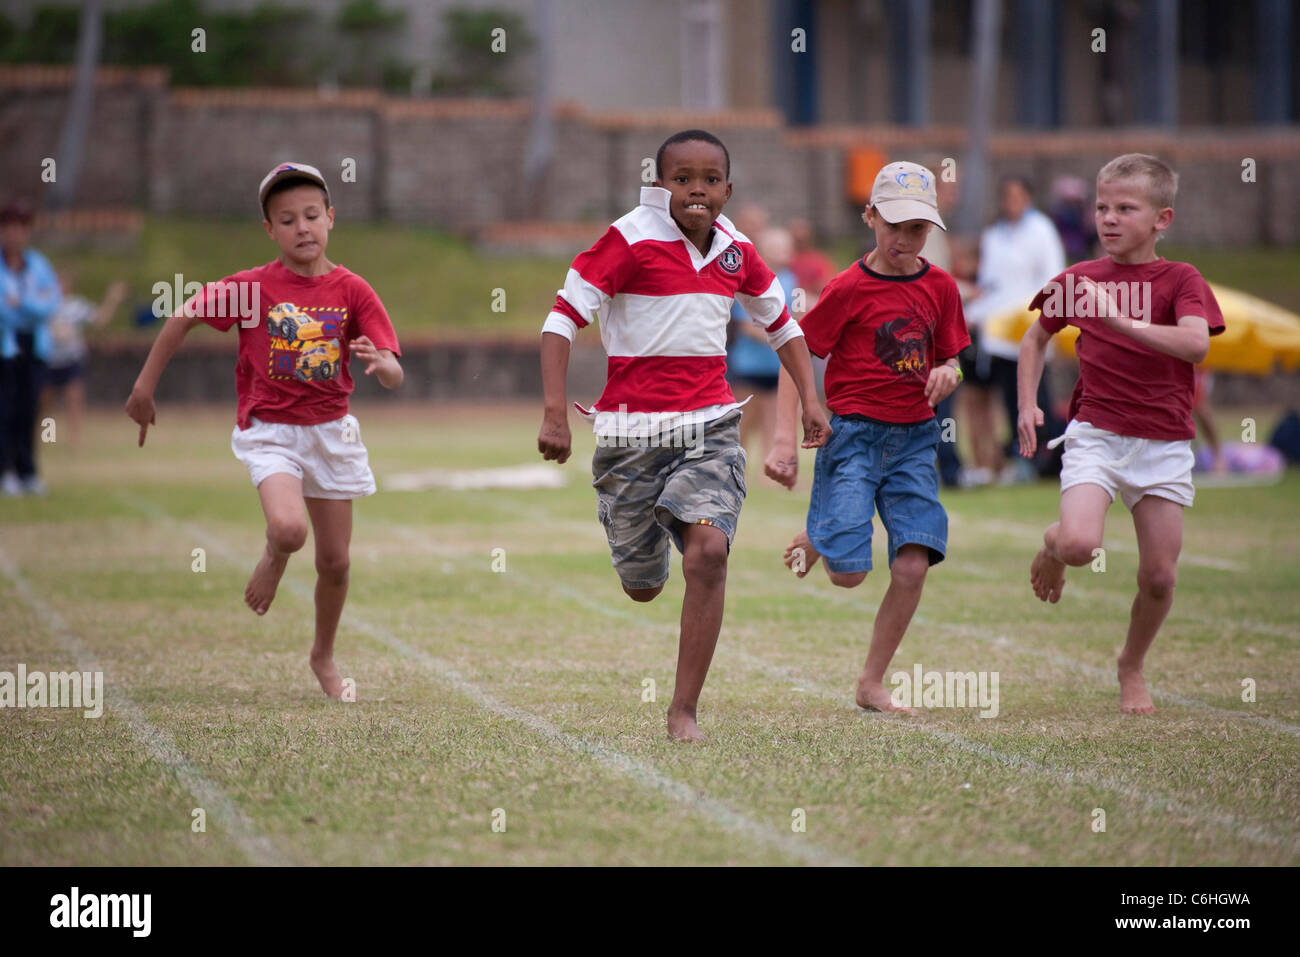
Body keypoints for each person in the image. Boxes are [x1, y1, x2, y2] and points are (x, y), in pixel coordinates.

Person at [536, 130, 829, 742]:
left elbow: (784, 328)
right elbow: (560, 320)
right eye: (683, 178)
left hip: (709, 428)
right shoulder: (628, 241)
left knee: (709, 554)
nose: (697, 189)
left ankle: (683, 711)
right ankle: (642, 532)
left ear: (728, 188)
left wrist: (812, 400)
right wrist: (555, 412)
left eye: (710, 179)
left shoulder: (736, 250)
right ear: (659, 184)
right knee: (642, 588)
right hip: (630, 436)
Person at [125, 162, 403, 698]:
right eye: (286, 219)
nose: (302, 227)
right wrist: (143, 389)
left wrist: (381, 365)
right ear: (269, 230)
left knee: (337, 562)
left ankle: (322, 655)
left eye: (311, 215)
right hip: (271, 431)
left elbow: (393, 370)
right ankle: (274, 557)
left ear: (330, 219)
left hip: (331, 433)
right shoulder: (252, 289)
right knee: (289, 530)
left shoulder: (353, 290)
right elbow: (182, 315)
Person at [1017, 153, 1225, 714]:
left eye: (1125, 208)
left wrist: (1120, 321)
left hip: (1164, 443)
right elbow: (1034, 339)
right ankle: (1054, 544)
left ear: (1162, 219)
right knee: (1083, 544)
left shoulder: (1182, 279)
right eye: (1101, 207)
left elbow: (1195, 344)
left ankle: (1131, 666)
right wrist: (1027, 406)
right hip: (1098, 436)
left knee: (1159, 576)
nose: (1108, 218)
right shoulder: (1079, 280)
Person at [766, 162, 969, 713]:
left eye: (918, 229)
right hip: (851, 438)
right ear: (870, 215)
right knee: (849, 576)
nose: (904, 239)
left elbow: (950, 354)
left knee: (911, 565)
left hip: (915, 441)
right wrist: (786, 440)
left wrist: (950, 370)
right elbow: (795, 354)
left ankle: (872, 682)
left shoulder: (941, 287)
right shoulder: (847, 288)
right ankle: (826, 529)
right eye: (894, 225)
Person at [963, 176, 1066, 479]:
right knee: (1005, 399)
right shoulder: (995, 235)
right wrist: (975, 313)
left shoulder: (1041, 231)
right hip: (998, 335)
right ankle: (1011, 458)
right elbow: (990, 285)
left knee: (1035, 397)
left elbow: (1052, 278)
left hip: (1029, 329)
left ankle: (1041, 459)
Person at [0, 199, 61, 497]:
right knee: (5, 409)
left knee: (29, 410)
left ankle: (27, 471)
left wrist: (21, 304)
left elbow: (48, 304)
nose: (15, 235)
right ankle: (5, 471)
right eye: (9, 228)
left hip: (33, 347)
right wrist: (23, 309)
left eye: (21, 228)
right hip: (5, 346)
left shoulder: (38, 265)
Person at [726, 225, 797, 469]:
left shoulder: (791, 280)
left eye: (784, 248)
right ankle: (733, 469)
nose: (781, 253)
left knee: (774, 422)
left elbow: (798, 312)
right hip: (748, 366)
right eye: (775, 248)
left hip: (776, 367)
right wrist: (778, 338)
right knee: (743, 423)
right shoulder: (750, 280)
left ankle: (772, 471)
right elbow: (745, 324)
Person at [43, 270, 128, 449]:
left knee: (74, 400)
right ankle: (46, 438)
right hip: (50, 361)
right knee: (46, 405)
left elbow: (100, 319)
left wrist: (112, 298)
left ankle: (74, 441)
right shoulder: (44, 306)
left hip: (71, 360)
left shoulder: (76, 306)